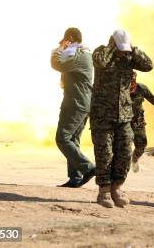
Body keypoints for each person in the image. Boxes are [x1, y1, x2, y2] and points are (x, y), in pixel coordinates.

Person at [90, 29, 154, 208]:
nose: (123, 52)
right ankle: (104, 191)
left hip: (124, 116)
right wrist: (112, 47)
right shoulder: (102, 53)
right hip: (102, 116)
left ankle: (117, 188)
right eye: (121, 48)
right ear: (112, 43)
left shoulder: (130, 58)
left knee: (125, 153)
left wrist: (133, 50)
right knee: (105, 155)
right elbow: (100, 62)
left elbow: (149, 65)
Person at [50, 27, 96, 188]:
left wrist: (59, 48)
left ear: (69, 38)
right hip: (80, 102)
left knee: (62, 138)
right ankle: (75, 178)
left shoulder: (80, 56)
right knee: (73, 140)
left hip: (76, 103)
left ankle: (88, 168)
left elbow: (57, 63)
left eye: (66, 41)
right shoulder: (82, 54)